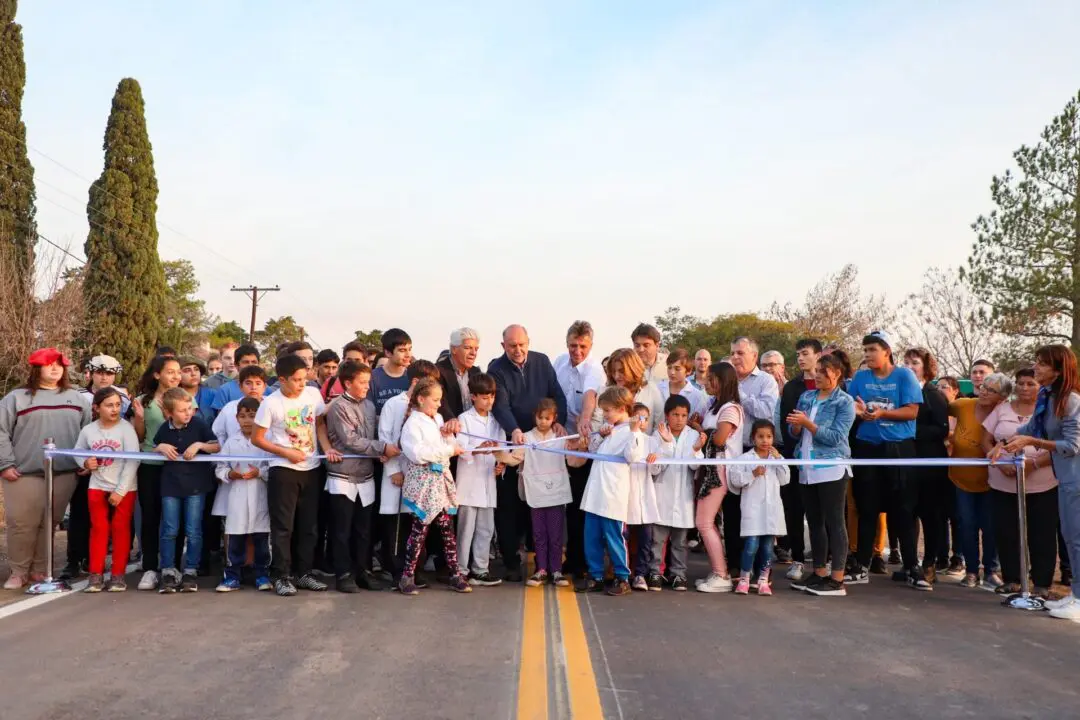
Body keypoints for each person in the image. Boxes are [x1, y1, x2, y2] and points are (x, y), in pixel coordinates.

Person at [995, 345, 1080, 620]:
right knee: (1070, 537)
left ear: (1058, 369)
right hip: (1064, 478)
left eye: (1042, 364)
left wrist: (1032, 442)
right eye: (1036, 362)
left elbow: (1072, 446)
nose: (1035, 368)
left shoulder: (1071, 400)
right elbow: (1032, 428)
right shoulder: (1047, 396)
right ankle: (1076, 594)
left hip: (1075, 479)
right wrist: (1003, 443)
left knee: (1077, 539)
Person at [845, 331, 926, 588]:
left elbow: (912, 411)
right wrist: (860, 412)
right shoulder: (860, 377)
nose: (867, 355)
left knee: (903, 509)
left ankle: (912, 566)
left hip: (899, 449)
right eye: (865, 350)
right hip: (868, 448)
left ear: (887, 351)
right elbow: (852, 405)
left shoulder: (904, 376)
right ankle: (862, 565)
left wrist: (882, 413)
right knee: (867, 508)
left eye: (872, 350)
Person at [252, 353, 336, 597]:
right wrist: (285, 452)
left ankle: (304, 573)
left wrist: (327, 448)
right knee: (283, 527)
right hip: (283, 470)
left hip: (311, 468)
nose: (302, 384)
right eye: (297, 380)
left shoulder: (312, 394)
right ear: (282, 379)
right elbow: (257, 438)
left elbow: (319, 425)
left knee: (309, 526)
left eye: (304, 379)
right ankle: (281, 575)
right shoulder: (270, 403)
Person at [488, 324, 567, 582]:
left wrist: (558, 422)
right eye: (512, 346)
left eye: (522, 344)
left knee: (542, 507)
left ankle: (543, 563)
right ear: (503, 346)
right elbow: (500, 405)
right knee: (510, 507)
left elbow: (557, 395)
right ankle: (511, 562)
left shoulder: (542, 362)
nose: (518, 350)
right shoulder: (496, 369)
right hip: (517, 442)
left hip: (543, 444)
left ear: (528, 342)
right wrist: (514, 429)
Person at [981, 368, 1057, 597]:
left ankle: (1042, 583)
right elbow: (986, 441)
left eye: (1031, 383)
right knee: (1006, 532)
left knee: (1042, 534)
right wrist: (999, 464)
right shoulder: (1002, 409)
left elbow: (1060, 446)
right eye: (1021, 383)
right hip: (1003, 483)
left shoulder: (1051, 409)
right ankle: (1012, 579)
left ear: (1040, 386)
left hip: (1042, 484)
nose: (1024, 388)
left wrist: (1034, 464)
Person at [786, 353, 855, 597]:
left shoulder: (844, 402)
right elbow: (794, 431)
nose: (816, 376)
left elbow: (836, 437)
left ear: (836, 373)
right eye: (816, 371)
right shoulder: (807, 396)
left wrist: (808, 424)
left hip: (831, 467)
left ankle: (837, 578)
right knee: (814, 521)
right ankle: (819, 572)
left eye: (822, 372)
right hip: (806, 465)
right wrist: (796, 427)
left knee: (834, 521)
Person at [324, 360, 395, 593]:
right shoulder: (338, 407)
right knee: (342, 529)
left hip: (365, 475)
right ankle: (343, 574)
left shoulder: (369, 406)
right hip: (342, 476)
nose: (367, 386)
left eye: (368, 382)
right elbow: (350, 440)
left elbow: (372, 435)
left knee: (364, 530)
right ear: (347, 383)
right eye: (362, 382)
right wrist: (382, 448)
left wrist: (379, 451)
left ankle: (363, 571)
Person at [397, 378, 471, 595]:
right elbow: (417, 454)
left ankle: (455, 574)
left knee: (447, 529)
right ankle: (407, 576)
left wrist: (448, 439)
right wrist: (448, 450)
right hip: (424, 482)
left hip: (440, 480)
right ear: (421, 399)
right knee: (419, 530)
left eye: (440, 400)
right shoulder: (412, 424)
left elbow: (449, 445)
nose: (439, 404)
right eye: (436, 400)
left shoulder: (437, 418)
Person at [504, 398, 585, 587]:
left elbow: (574, 461)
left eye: (547, 418)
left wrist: (583, 447)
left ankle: (556, 570)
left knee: (556, 534)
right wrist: (495, 452)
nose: (543, 421)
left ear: (554, 418)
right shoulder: (526, 438)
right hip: (536, 493)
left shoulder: (560, 438)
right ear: (535, 417)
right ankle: (541, 569)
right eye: (540, 417)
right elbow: (514, 459)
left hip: (556, 493)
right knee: (539, 534)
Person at [577, 387, 648, 597]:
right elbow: (593, 451)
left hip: (613, 496)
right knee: (591, 537)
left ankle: (622, 577)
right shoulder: (610, 429)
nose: (605, 414)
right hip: (595, 494)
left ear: (622, 408)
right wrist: (600, 436)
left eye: (607, 410)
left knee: (614, 537)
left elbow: (633, 456)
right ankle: (596, 575)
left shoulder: (633, 432)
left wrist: (634, 432)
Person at [377, 360, 443, 583]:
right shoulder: (393, 404)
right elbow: (385, 438)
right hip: (398, 474)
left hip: (422, 476)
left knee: (417, 524)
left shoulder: (432, 411)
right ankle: (396, 570)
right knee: (397, 526)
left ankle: (414, 569)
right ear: (416, 382)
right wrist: (393, 470)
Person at [552, 321, 606, 580]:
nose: (577, 351)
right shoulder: (559, 362)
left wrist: (584, 420)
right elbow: (552, 394)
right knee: (563, 503)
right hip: (561, 439)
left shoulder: (594, 369)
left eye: (583, 346)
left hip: (586, 441)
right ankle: (569, 558)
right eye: (573, 345)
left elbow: (589, 396)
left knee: (580, 506)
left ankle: (582, 561)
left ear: (590, 345)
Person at [153, 387, 220, 593]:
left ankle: (191, 569)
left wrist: (199, 445)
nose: (188, 413)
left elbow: (216, 446)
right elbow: (154, 445)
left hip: (196, 486)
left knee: (193, 530)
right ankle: (168, 570)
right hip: (171, 485)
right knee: (169, 529)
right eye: (182, 410)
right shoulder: (164, 428)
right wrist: (160, 447)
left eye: (189, 408)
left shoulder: (199, 425)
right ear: (169, 413)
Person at [72, 387, 139, 592]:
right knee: (99, 529)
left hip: (124, 488)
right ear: (96, 407)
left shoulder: (126, 429)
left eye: (118, 405)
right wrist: (85, 462)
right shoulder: (89, 430)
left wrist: (120, 491)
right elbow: (77, 451)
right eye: (109, 405)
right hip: (97, 485)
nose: (115, 409)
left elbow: (133, 461)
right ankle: (96, 574)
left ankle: (118, 575)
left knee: (120, 529)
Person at [132, 355, 185, 591]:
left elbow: (188, 430)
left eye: (178, 372)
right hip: (150, 465)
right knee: (151, 517)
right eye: (170, 372)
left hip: (176, 466)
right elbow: (140, 436)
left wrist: (170, 415)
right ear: (157, 374)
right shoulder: (142, 401)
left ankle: (172, 567)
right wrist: (139, 419)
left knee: (175, 519)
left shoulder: (184, 399)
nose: (176, 376)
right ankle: (150, 567)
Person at [949, 372, 1005, 589]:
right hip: (962, 479)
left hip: (993, 481)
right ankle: (971, 571)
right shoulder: (963, 405)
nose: (984, 392)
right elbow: (936, 410)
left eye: (991, 390)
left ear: (1002, 397)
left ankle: (991, 570)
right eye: (983, 387)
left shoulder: (1005, 412)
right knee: (967, 524)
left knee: (990, 526)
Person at [694, 361, 744, 593]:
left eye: (710, 378)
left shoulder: (731, 409)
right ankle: (719, 571)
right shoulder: (716, 406)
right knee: (707, 522)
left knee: (704, 523)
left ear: (722, 381)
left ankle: (721, 574)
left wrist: (699, 430)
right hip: (711, 467)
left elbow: (719, 440)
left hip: (719, 470)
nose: (706, 382)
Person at [214, 397, 272, 593]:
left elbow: (273, 467)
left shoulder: (266, 440)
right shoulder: (232, 442)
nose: (247, 421)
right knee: (235, 538)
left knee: (261, 538)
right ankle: (232, 577)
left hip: (260, 494)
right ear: (236, 418)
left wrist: (260, 472)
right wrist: (230, 474)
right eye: (243, 416)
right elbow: (220, 467)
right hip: (237, 495)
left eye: (252, 416)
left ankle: (262, 575)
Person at [453, 373, 506, 587]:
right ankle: (460, 570)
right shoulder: (464, 419)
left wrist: (500, 464)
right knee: (465, 530)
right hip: (469, 482)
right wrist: (478, 449)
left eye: (491, 396)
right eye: (484, 397)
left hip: (488, 481)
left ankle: (480, 570)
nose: (489, 401)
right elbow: (460, 448)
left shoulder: (496, 421)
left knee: (486, 529)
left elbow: (502, 447)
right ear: (473, 396)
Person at [647, 395, 706, 591]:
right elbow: (654, 469)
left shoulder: (693, 435)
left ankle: (678, 574)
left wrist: (696, 450)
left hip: (683, 497)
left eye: (683, 415)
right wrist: (666, 445)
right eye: (675, 415)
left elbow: (694, 466)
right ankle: (655, 572)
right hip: (662, 495)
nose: (679, 419)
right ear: (667, 415)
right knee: (658, 539)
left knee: (680, 542)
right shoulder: (657, 435)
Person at [774, 338, 821, 577]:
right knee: (794, 509)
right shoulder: (792, 387)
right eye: (798, 354)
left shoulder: (835, 387)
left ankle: (823, 562)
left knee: (820, 513)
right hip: (795, 457)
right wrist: (798, 448)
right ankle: (798, 559)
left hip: (824, 460)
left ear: (818, 355)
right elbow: (787, 423)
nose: (800, 358)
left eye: (805, 353)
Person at [902, 347, 949, 585]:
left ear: (925, 367)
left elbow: (941, 429)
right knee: (906, 513)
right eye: (906, 362)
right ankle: (910, 564)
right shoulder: (902, 392)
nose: (910, 367)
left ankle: (929, 563)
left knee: (931, 515)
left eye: (915, 363)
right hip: (905, 461)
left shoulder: (934, 394)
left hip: (930, 464)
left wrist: (910, 430)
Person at [728, 420, 789, 596]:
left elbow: (785, 479)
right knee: (751, 545)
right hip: (753, 510)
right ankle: (745, 579)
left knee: (768, 548)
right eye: (760, 436)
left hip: (771, 512)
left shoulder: (776, 458)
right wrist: (753, 473)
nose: (765, 440)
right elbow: (735, 480)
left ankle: (763, 579)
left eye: (769, 437)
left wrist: (778, 460)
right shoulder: (745, 459)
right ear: (753, 438)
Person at [593, 348, 664, 435]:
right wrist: (602, 434)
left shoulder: (651, 389)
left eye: (621, 371)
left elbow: (660, 424)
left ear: (633, 369)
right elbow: (595, 427)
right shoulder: (604, 392)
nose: (616, 376)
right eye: (613, 371)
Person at [935, 374, 964, 574]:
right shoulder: (935, 413)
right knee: (939, 514)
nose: (940, 390)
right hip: (939, 468)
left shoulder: (961, 412)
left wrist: (949, 435)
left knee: (957, 516)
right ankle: (941, 556)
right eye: (937, 386)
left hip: (958, 468)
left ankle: (958, 557)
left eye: (944, 387)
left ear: (955, 391)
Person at [729, 337, 779, 447]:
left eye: (740, 353)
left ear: (754, 356)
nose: (735, 357)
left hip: (754, 449)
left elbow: (766, 412)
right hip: (727, 449)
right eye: (732, 353)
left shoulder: (766, 380)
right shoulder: (726, 380)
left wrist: (739, 393)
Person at [212, 365, 269, 446]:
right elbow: (220, 434)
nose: (253, 387)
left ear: (264, 387)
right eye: (248, 383)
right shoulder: (229, 408)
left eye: (258, 383)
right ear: (240, 386)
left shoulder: (272, 405)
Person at [437, 328, 482, 420]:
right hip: (449, 425)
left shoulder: (476, 372)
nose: (473, 353)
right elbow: (440, 402)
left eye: (476, 349)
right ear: (454, 349)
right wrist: (451, 420)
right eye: (468, 348)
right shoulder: (438, 371)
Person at [368, 329, 413, 415]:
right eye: (402, 350)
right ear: (388, 353)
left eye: (410, 349)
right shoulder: (372, 378)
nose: (408, 355)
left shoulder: (413, 378)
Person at [657, 348, 707, 419]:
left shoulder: (697, 396)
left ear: (688, 371)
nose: (672, 372)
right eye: (669, 368)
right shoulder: (658, 388)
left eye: (677, 369)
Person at [210, 344, 263, 411]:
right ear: (236, 365)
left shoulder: (266, 390)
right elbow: (221, 416)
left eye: (254, 362)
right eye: (246, 362)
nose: (250, 365)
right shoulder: (225, 390)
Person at [178, 356, 218, 427]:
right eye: (187, 370)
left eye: (196, 369)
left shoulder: (213, 394)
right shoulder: (173, 397)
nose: (193, 373)